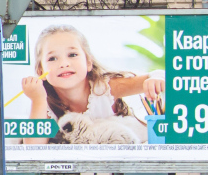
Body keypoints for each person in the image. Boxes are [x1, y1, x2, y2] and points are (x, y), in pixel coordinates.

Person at [20, 25, 165, 144]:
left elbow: (161, 75)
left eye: (72, 55)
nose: (64, 63)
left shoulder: (104, 88)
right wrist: (37, 100)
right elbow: (33, 147)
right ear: (40, 71)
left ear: (89, 63)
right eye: (52, 58)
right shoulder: (44, 104)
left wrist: (156, 78)